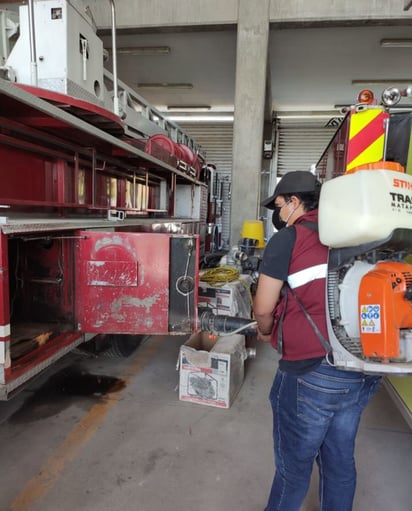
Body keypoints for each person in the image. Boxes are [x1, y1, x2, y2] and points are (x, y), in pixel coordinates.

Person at [253, 171, 381, 511]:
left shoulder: (289, 239)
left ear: (295, 202)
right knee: (339, 462)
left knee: (293, 470)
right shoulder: (356, 234)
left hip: (312, 370)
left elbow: (263, 308)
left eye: (279, 206)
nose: (278, 215)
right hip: (362, 366)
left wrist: (266, 330)